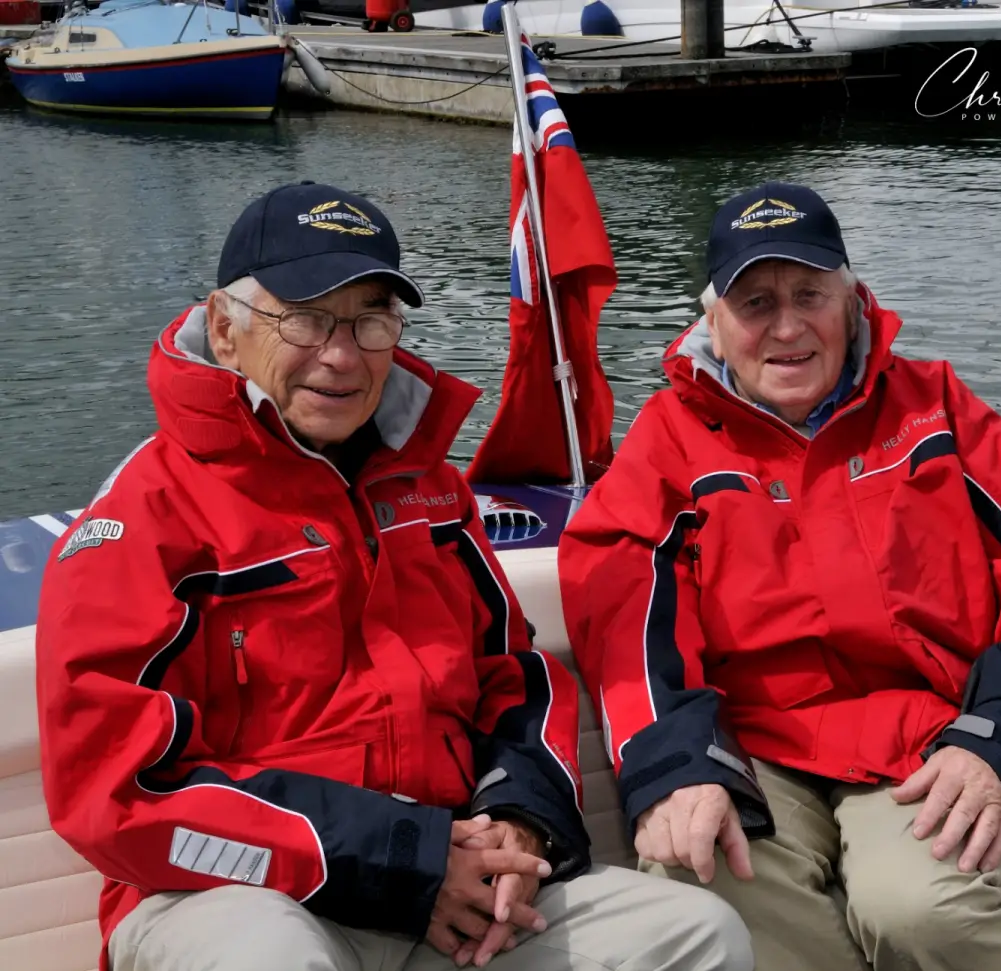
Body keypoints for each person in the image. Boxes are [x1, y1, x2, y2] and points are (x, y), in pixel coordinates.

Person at [35, 182, 754, 971]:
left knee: (697, 936)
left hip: (450, 872)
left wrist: (518, 818)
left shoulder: (433, 492)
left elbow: (516, 676)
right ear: (224, 328)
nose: (342, 356)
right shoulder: (144, 517)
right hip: (238, 896)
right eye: (306, 318)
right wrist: (405, 862)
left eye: (370, 320)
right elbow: (117, 792)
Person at [558, 180, 1001, 971]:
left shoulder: (939, 411)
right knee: (694, 879)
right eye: (756, 301)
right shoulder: (668, 442)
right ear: (714, 321)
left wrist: (996, 747)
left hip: (928, 740)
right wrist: (672, 770)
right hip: (759, 746)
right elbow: (626, 619)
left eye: (810, 293)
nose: (788, 325)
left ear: (853, 300)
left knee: (920, 907)